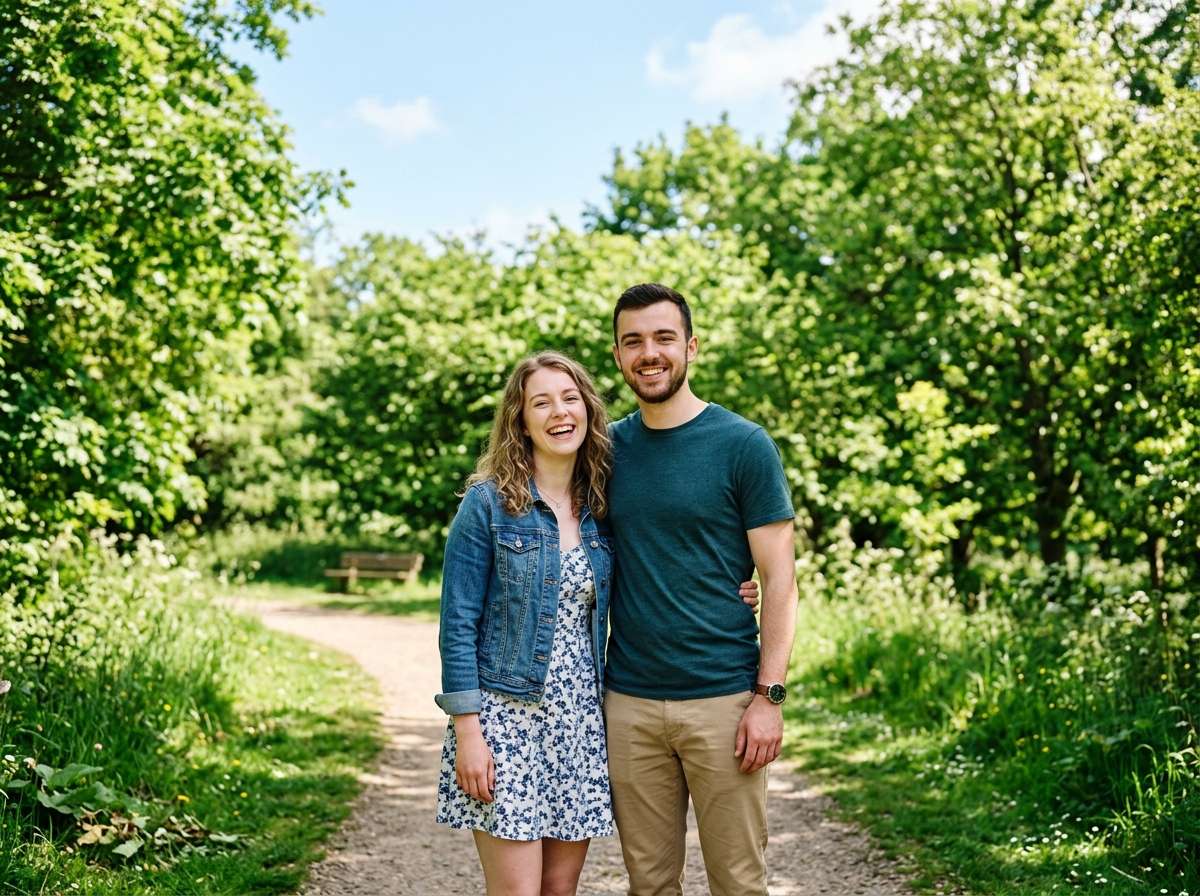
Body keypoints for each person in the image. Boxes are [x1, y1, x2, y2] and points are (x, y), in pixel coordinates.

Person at [434, 350, 760, 896]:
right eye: (541, 402)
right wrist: (469, 730)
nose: (559, 413)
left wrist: (731, 590)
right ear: (520, 419)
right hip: (505, 719)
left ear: (587, 408)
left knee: (560, 890)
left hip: (581, 720)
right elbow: (457, 622)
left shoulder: (599, 506)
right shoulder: (487, 504)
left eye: (569, 398)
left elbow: (660, 561)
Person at [604, 283, 799, 896]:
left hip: (724, 700)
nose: (649, 353)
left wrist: (768, 697)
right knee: (649, 884)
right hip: (628, 701)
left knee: (739, 883)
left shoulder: (743, 445)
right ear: (617, 356)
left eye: (663, 338)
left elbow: (780, 581)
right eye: (633, 341)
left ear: (691, 346)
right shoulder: (602, 449)